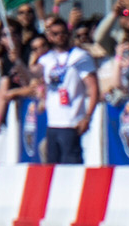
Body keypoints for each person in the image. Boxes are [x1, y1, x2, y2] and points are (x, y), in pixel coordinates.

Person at [34, 14, 97, 163]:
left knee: (71, 166)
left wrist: (87, 116)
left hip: (71, 122)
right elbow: (33, 75)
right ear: (49, 37)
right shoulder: (47, 59)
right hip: (53, 123)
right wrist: (18, 61)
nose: (60, 37)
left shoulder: (80, 56)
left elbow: (94, 88)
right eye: (55, 34)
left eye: (63, 33)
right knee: (52, 168)